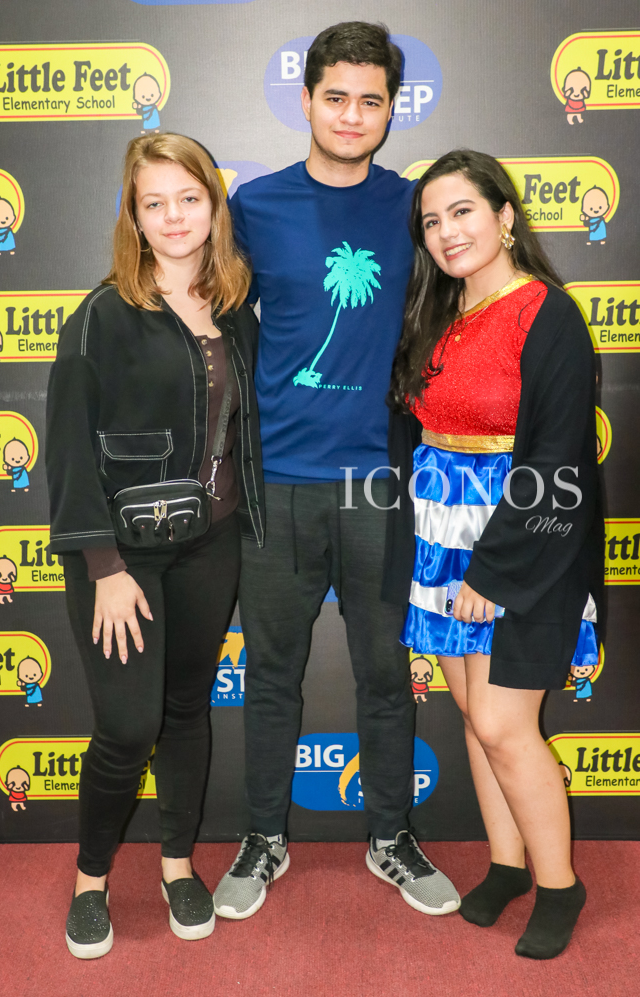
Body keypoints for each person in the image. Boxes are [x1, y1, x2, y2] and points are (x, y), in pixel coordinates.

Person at [213, 22, 460, 922]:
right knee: (271, 674)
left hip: (379, 488)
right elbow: (208, 321)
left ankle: (389, 835)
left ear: (392, 109)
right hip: (276, 483)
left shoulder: (414, 208)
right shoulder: (254, 206)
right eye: (336, 97)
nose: (352, 115)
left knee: (385, 673)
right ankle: (263, 836)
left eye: (370, 100)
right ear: (306, 100)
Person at [45, 132, 264, 958]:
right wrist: (102, 566)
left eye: (189, 198)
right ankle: (90, 880)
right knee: (128, 725)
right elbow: (68, 453)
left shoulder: (235, 309)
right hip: (121, 558)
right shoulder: (102, 316)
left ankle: (177, 865)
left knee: (184, 711)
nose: (174, 217)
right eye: (154, 202)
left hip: (212, 545)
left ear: (214, 205)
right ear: (133, 216)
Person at [386, 149, 603, 959]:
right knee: (475, 721)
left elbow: (557, 460)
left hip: (524, 546)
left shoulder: (546, 313)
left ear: (504, 216)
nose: (446, 232)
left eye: (462, 211)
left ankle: (560, 885)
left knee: (505, 724)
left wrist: (494, 570)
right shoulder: (435, 313)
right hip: (440, 542)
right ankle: (507, 865)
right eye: (431, 221)